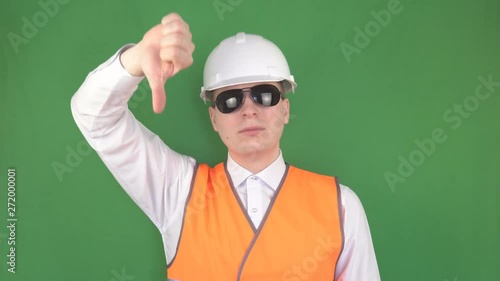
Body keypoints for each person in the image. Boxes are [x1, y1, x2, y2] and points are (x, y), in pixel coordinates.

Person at [71, 12, 380, 281]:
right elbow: (96, 119)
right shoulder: (178, 192)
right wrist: (134, 61)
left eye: (264, 94)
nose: (249, 110)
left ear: (285, 109)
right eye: (229, 100)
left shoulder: (340, 206)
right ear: (214, 118)